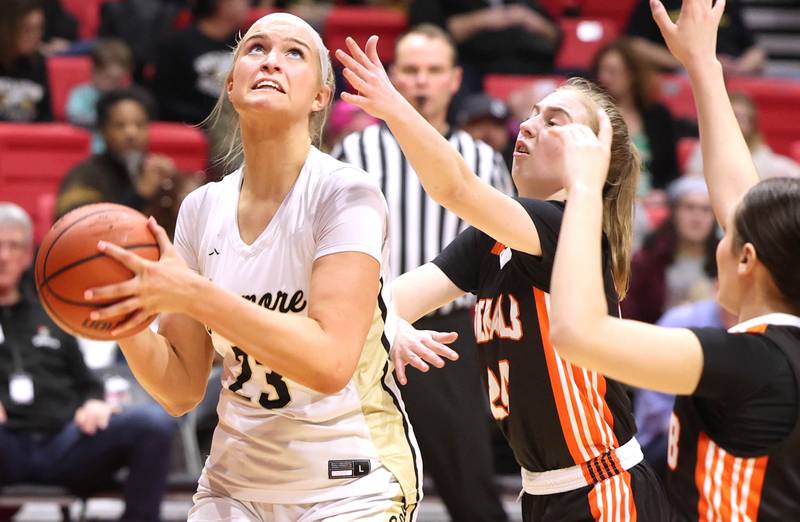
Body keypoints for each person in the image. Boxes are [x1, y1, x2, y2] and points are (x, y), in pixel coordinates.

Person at [85, 13, 421, 521]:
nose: (270, 60)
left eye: (294, 53)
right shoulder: (202, 209)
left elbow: (329, 363)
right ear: (231, 83)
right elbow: (180, 389)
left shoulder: (345, 194)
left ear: (320, 98)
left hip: (350, 482)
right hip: (233, 485)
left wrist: (197, 296)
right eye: (256, 48)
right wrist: (126, 318)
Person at [336, 36, 669, 521]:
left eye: (555, 121)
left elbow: (454, 187)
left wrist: (395, 108)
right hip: (541, 492)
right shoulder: (488, 242)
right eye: (532, 114)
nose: (529, 126)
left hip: (605, 489)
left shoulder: (563, 224)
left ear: (595, 155)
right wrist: (390, 324)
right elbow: (385, 301)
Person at [546, 0, 800, 519]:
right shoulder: (778, 351)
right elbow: (743, 199)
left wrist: (586, 190)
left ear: (748, 259)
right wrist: (703, 65)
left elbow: (577, 333)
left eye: (729, 238)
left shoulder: (751, 361)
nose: (718, 243)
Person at [334, 24, 510, 522]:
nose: (421, 82)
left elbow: (499, 249)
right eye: (410, 70)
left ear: (455, 79)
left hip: (447, 336)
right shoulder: (355, 153)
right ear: (393, 76)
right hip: (365, 329)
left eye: (434, 71)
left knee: (468, 483)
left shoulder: (480, 158)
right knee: (355, 479)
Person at [0, 203, 177, 522]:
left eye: (13, 246)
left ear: (28, 255)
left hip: (65, 442)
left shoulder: (51, 309)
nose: (4, 256)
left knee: (153, 424)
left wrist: (94, 403)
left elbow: (86, 382)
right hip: (7, 444)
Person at [55, 88, 192, 237]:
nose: (131, 133)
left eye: (140, 125)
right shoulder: (84, 174)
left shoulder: (158, 172)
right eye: (120, 125)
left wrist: (179, 192)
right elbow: (76, 229)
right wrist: (139, 194)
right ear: (103, 130)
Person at [622, 176, 718, 324]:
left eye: (706, 210)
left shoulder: (727, 259)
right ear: (674, 213)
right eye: (689, 207)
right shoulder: (648, 260)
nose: (697, 218)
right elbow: (629, 313)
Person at [409, 0, 559, 94]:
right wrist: (485, 19)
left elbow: (555, 35)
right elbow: (430, 33)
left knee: (572, 78)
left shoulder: (522, 5)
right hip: (474, 64)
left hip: (531, 61)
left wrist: (526, 18)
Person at [591, 38, 679, 195]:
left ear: (632, 74)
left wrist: (660, 193)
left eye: (612, 71)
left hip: (651, 199)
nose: (603, 78)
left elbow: (670, 171)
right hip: (606, 196)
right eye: (601, 70)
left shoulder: (657, 116)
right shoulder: (592, 113)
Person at [153, 0, 249, 125]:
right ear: (223, 5)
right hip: (190, 125)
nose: (247, 6)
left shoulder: (246, 43)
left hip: (236, 123)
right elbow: (164, 96)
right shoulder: (177, 44)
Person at [625, 0, 765, 75]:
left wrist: (738, 68)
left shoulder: (727, 4)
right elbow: (634, 44)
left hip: (728, 75)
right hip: (680, 75)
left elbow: (755, 51)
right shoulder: (656, 3)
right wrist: (687, 63)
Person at [684, 91, 800, 179]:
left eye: (741, 119)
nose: (736, 124)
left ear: (752, 125)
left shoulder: (763, 155)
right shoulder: (703, 150)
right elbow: (694, 183)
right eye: (732, 117)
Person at [66, 39, 134, 153]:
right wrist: (106, 120)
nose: (112, 85)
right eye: (108, 77)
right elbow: (74, 116)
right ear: (94, 71)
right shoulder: (81, 93)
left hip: (120, 152)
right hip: (89, 152)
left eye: (118, 80)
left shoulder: (126, 97)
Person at [0, 0, 52, 122]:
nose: (35, 36)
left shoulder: (38, 64)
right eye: (27, 29)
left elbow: (46, 118)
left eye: (39, 28)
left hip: (30, 139)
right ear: (7, 28)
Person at [457, 93, 514, 170]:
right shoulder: (451, 161)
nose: (491, 134)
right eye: (481, 125)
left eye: (498, 125)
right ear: (463, 128)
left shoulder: (517, 166)